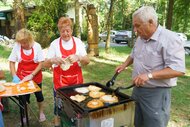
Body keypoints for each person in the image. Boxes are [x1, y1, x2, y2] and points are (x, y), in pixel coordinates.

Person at [116, 6, 185, 127]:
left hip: (157, 94)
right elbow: (133, 54)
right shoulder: (140, 38)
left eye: (137, 25)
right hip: (137, 90)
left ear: (151, 22)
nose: (135, 30)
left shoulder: (170, 39)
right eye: (134, 26)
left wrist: (149, 75)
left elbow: (177, 69)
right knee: (137, 122)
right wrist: (124, 65)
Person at [43, 17, 90, 127]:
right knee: (59, 109)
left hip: (76, 83)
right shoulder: (54, 44)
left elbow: (87, 61)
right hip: (60, 84)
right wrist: (52, 60)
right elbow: (44, 64)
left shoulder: (78, 42)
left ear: (71, 30)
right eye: (62, 31)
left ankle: (77, 124)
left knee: (77, 107)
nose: (65, 33)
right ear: (59, 31)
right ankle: (58, 124)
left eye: (67, 30)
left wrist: (79, 57)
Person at [8, 28, 46, 122]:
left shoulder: (37, 46)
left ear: (30, 39)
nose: (23, 45)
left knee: (39, 96)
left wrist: (32, 75)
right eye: (21, 43)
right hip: (22, 76)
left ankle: (41, 112)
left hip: (35, 76)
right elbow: (11, 62)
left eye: (25, 43)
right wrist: (14, 76)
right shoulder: (17, 46)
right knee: (24, 97)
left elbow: (41, 63)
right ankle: (26, 113)